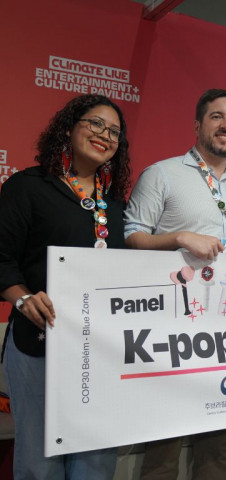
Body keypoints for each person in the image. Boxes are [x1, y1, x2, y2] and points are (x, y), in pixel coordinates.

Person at [124, 88, 226, 480]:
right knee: (164, 448)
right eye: (217, 116)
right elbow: (132, 236)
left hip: (223, 328)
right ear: (197, 125)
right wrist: (180, 238)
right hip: (172, 328)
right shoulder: (162, 173)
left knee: (219, 447)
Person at [0, 94, 131, 479]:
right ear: (70, 128)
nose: (105, 135)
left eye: (114, 131)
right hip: (39, 340)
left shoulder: (115, 205)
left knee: (96, 459)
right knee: (40, 462)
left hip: (101, 348)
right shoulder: (29, 186)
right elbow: (2, 259)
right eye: (95, 124)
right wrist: (23, 298)